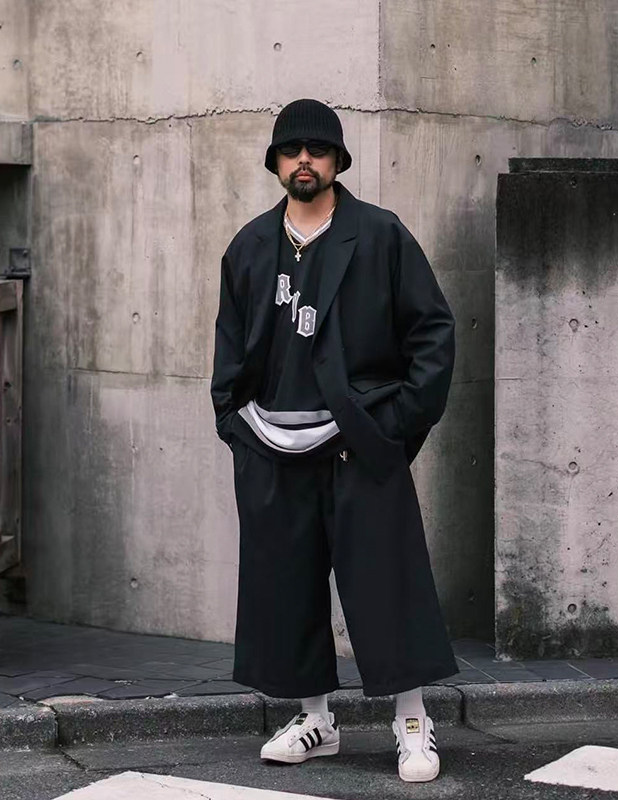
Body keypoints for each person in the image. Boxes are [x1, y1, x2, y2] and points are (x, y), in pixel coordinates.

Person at [211, 98, 458, 783]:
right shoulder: (250, 247)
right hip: (273, 446)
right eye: (292, 151)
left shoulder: (379, 235)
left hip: (358, 444)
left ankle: (413, 722)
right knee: (286, 590)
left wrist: (393, 425)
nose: (304, 161)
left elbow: (433, 334)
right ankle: (315, 720)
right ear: (275, 162)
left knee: (387, 585)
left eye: (317, 150)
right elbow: (229, 348)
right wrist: (235, 425)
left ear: (337, 160)